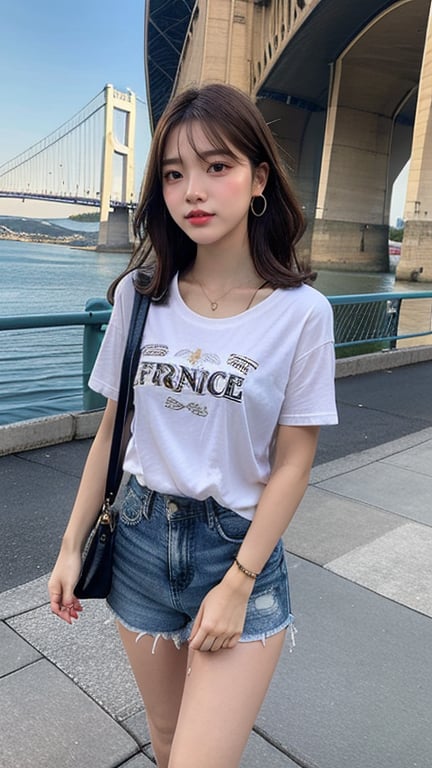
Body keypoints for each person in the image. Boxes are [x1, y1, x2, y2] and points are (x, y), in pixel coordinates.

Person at [48, 82, 338, 768]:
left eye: (217, 166)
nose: (193, 191)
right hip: (141, 542)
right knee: (169, 738)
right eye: (174, 174)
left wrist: (238, 582)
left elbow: (295, 459)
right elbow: (115, 431)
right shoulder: (140, 297)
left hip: (237, 549)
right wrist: (69, 546)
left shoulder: (301, 314)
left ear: (259, 177)